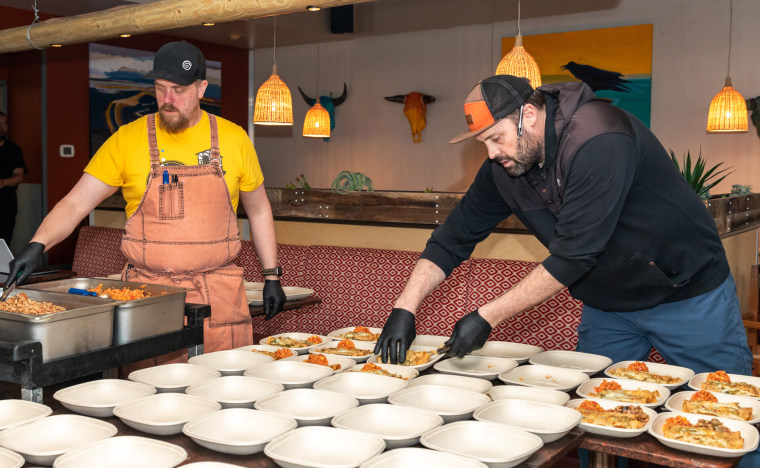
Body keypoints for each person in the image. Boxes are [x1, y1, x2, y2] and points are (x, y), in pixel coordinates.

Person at [374, 74, 753, 378]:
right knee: (595, 419)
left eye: (495, 139)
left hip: (687, 295)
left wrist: (485, 316)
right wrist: (404, 308)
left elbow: (574, 253)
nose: (490, 154)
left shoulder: (599, 138)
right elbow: (451, 240)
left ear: (530, 116)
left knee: (725, 411)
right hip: (608, 304)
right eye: (482, 143)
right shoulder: (505, 166)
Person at [7, 41, 286, 354]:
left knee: (221, 391)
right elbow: (76, 203)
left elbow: (260, 210)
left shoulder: (235, 139)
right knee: (150, 394)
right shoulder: (128, 139)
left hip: (218, 294)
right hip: (147, 297)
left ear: (201, 88)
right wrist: (37, 244)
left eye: (178, 90)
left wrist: (271, 276)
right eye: (160, 88)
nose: (167, 100)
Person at [0, 111, 27, 246]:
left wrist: (3, 182)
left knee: (3, 241)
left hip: (5, 204)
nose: (2, 128)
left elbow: (19, 176)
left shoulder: (13, 149)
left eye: (5, 124)